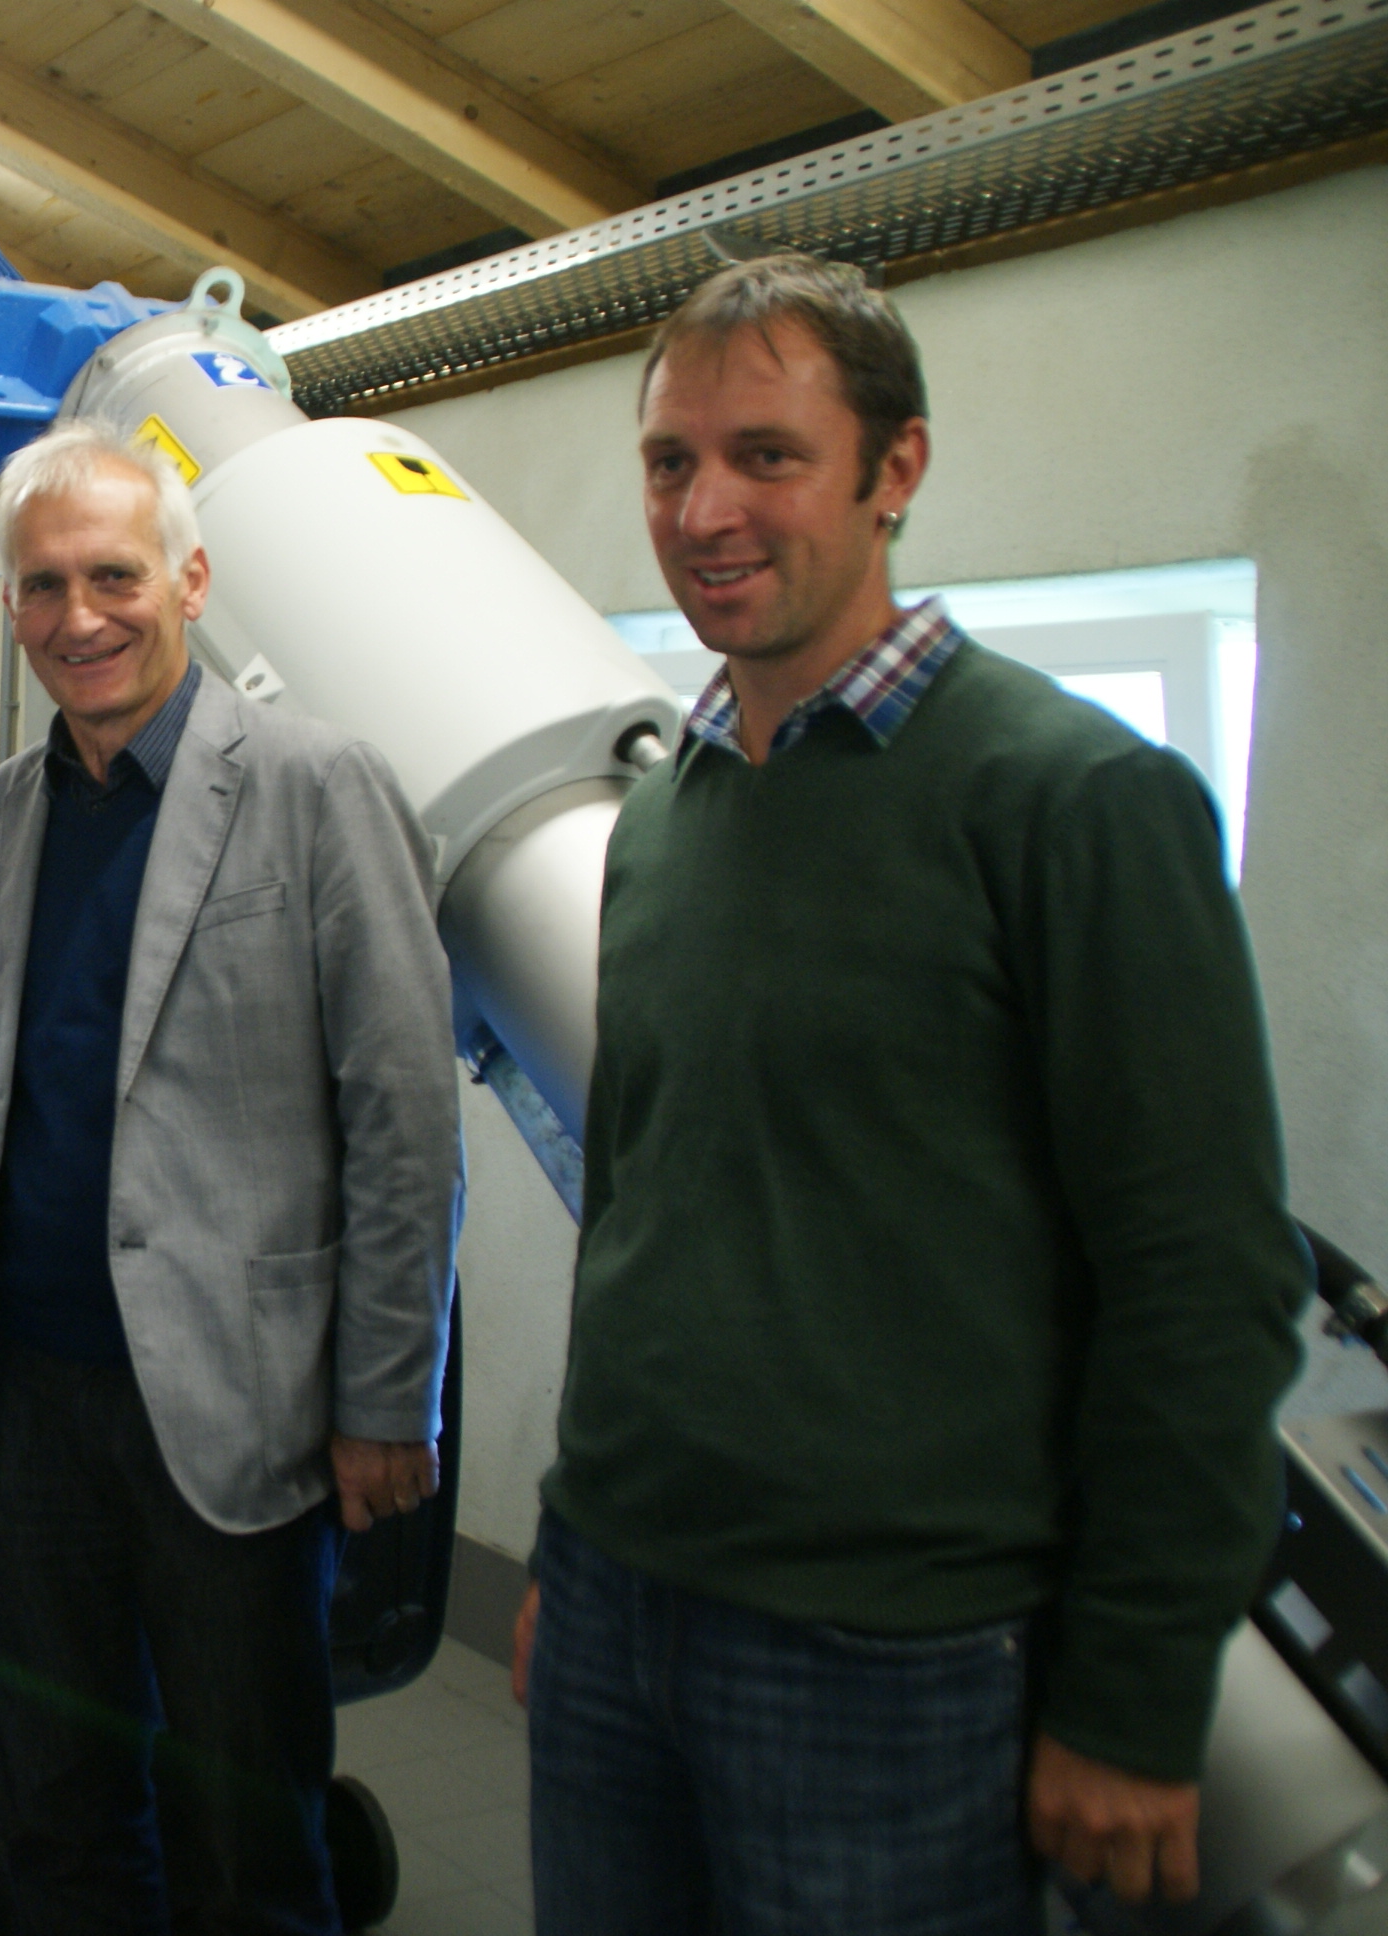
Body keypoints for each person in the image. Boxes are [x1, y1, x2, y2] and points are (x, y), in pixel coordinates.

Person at [512, 253, 1307, 1932]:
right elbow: (641, 1203)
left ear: (896, 470)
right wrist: (576, 1543)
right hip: (613, 1606)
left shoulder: (1072, 800)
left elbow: (1205, 1282)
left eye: (767, 457)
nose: (705, 511)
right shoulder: (667, 814)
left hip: (891, 1659)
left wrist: (1133, 1690)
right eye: (670, 462)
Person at [0, 421, 465, 1935]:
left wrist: (387, 1398)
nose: (77, 617)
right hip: (28, 1399)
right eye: (41, 586)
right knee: (61, 1808)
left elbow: (406, 1114)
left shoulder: (316, 786)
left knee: (244, 1830)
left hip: (236, 1402)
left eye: (114, 576)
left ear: (191, 581)